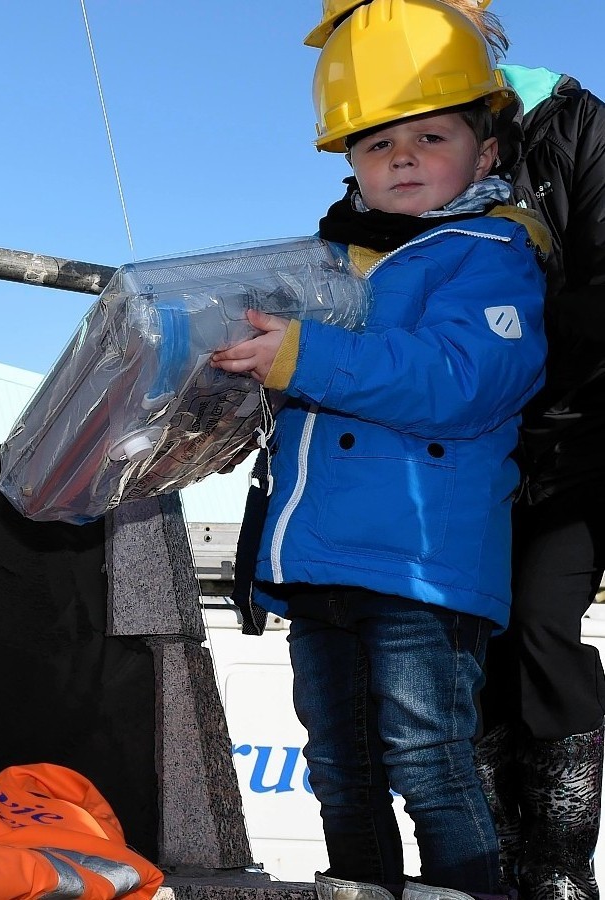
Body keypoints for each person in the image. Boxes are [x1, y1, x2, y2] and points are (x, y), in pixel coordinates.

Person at [210, 0, 550, 895]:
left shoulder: (492, 254)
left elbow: (461, 378)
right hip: (321, 559)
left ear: (488, 150)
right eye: (374, 144)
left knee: (429, 761)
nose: (401, 157)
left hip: (419, 567)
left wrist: (303, 354)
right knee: (338, 765)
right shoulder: (331, 265)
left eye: (430, 138)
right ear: (350, 166)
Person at [306, 1, 605, 895]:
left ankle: (552, 868)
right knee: (458, 657)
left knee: (541, 627)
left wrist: (507, 373)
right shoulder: (368, 200)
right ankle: (494, 862)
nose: (402, 155)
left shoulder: (571, 125)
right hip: (456, 466)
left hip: (575, 431)